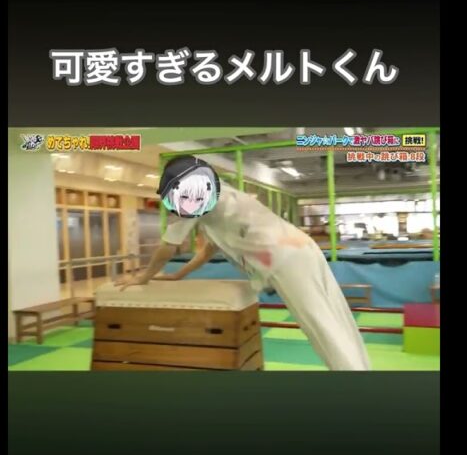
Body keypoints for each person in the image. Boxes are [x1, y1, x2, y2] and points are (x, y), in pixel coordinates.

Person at [115, 155, 371, 371]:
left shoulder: (193, 197)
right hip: (302, 247)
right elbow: (207, 251)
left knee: (320, 326)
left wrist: (143, 278)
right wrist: (178, 275)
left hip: (285, 258)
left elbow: (168, 246)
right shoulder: (219, 194)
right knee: (335, 317)